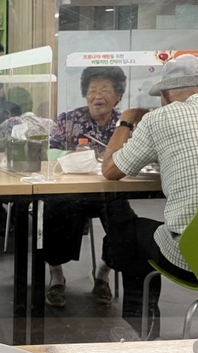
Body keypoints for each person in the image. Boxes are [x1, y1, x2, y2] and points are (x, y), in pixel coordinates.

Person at [102, 54, 198, 339]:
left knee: (128, 232)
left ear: (164, 96)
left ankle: (142, 335)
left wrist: (125, 122)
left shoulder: (161, 118)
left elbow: (110, 170)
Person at [43, 66, 135, 307]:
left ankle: (103, 272)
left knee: (124, 223)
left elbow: (138, 155)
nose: (98, 96)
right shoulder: (68, 119)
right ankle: (56, 274)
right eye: (92, 90)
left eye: (105, 90)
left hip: (110, 191)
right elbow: (49, 153)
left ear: (118, 96)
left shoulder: (124, 124)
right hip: (72, 191)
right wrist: (75, 155)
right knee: (53, 212)